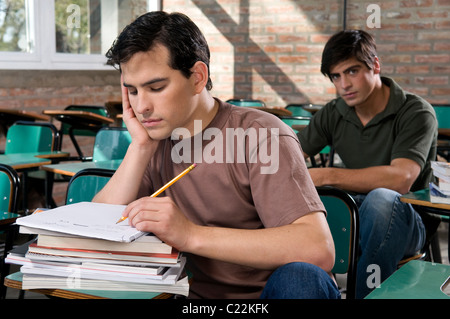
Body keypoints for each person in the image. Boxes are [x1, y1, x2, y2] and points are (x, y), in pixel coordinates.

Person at [93, 11, 340, 299]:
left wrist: (190, 235)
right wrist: (140, 147)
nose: (142, 106)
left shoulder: (262, 134)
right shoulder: (155, 139)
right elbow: (98, 226)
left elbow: (318, 248)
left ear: (197, 78)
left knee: (301, 279)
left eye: (156, 87)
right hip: (188, 299)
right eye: (132, 91)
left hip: (267, 298)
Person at [297, 30, 438, 299]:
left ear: (375, 65)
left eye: (352, 72)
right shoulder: (335, 111)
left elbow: (400, 179)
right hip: (351, 214)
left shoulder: (416, 112)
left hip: (407, 220)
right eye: (336, 76)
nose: (344, 85)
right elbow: (292, 155)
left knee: (382, 200)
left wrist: (327, 175)